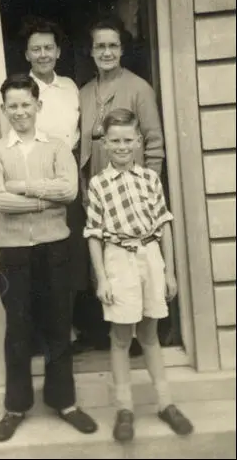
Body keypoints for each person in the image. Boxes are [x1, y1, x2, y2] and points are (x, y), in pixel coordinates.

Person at [0, 74, 97, 442]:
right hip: (15, 252)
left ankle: (64, 402)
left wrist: (22, 188)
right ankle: (15, 407)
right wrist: (43, 201)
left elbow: (69, 190)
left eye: (26, 104)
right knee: (18, 329)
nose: (20, 112)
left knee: (58, 324)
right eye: (12, 106)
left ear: (38, 106)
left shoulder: (58, 147)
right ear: (4, 109)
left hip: (55, 248)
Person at [83, 108, 193, 442]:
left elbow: (164, 226)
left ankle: (165, 403)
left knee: (150, 334)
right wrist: (102, 277)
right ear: (104, 143)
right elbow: (94, 235)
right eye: (114, 141)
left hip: (150, 258)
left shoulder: (149, 178)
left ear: (139, 141)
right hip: (118, 259)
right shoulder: (99, 185)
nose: (121, 147)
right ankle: (125, 409)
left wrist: (169, 271)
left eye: (128, 140)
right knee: (120, 338)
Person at [77, 14, 165, 353]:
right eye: (100, 46)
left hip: (133, 188)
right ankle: (112, 331)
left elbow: (154, 143)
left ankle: (142, 336)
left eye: (113, 45)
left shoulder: (139, 88)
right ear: (91, 51)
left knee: (138, 259)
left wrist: (148, 189)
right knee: (105, 257)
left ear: (122, 50)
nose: (107, 51)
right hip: (99, 187)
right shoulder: (85, 92)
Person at [20, 16, 89, 351]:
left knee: (72, 251)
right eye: (36, 49)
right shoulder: (21, 90)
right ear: (27, 54)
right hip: (37, 175)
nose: (43, 54)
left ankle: (69, 328)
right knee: (41, 254)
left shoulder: (70, 88)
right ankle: (42, 333)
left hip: (69, 172)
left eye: (49, 47)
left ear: (59, 52)